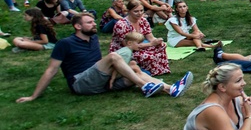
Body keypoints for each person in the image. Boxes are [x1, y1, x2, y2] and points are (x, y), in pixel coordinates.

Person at [16, 14, 191, 103]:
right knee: (115, 56)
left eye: (93, 22)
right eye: (89, 23)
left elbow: (100, 63)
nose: (94, 24)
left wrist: (118, 71)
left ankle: (170, 89)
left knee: (133, 66)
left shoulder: (93, 39)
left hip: (100, 80)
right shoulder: (65, 43)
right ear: (77, 26)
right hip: (81, 83)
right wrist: (33, 96)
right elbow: (51, 70)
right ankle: (145, 86)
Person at [110, 0, 171, 76]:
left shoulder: (143, 20)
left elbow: (150, 37)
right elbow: (128, 46)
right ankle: (146, 71)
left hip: (139, 45)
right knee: (147, 55)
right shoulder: (121, 25)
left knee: (160, 47)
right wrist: (151, 44)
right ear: (129, 11)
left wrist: (158, 41)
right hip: (125, 50)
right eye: (136, 11)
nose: (139, 13)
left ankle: (159, 70)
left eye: (141, 11)